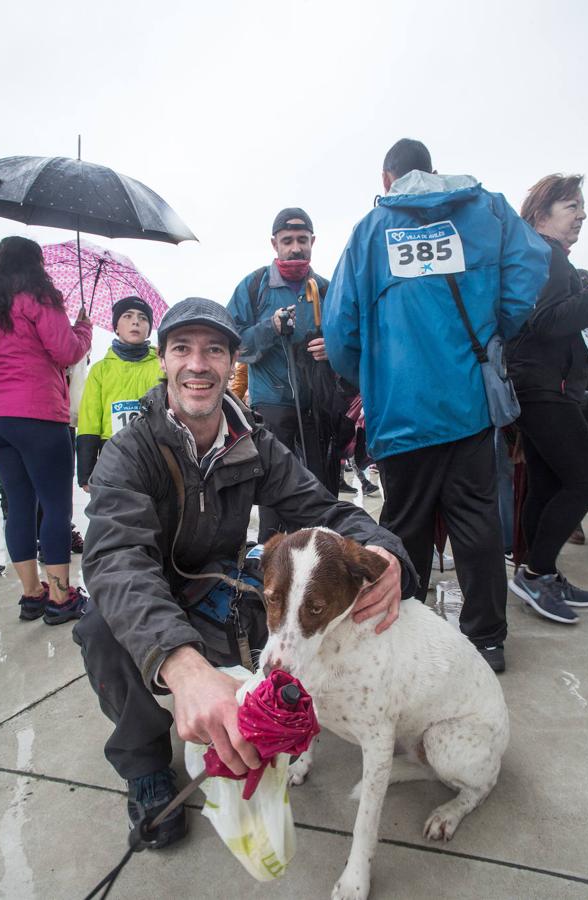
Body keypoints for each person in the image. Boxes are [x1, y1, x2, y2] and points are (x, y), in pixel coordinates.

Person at [73, 297, 417, 848]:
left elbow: (327, 510)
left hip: (223, 592)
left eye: (213, 350)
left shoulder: (256, 444)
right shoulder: (129, 451)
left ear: (234, 360)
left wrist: (386, 553)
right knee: (99, 631)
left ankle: (288, 726)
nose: (197, 364)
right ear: (163, 361)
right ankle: (145, 766)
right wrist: (182, 667)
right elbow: (115, 560)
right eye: (182, 349)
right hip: (153, 601)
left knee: (307, 619)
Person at [322, 138, 550, 674]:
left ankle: (401, 634)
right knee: (476, 521)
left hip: (400, 410)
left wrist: (376, 374)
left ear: (387, 179)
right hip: (468, 402)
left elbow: (338, 333)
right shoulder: (485, 208)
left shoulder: (369, 232)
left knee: (403, 527)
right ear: (433, 172)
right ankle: (488, 640)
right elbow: (529, 271)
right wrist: (493, 333)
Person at [0, 236, 92, 623]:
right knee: (54, 506)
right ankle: (61, 598)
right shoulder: (38, 296)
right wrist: (83, 328)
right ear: (35, 264)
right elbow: (66, 351)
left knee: (17, 504)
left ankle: (31, 594)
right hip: (37, 414)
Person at [507, 174, 588, 623]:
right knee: (584, 480)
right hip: (544, 387)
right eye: (571, 207)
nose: (581, 215)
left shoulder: (545, 256)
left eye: (581, 207)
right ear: (542, 215)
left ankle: (537, 571)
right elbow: (544, 321)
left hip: (543, 385)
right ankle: (536, 573)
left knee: (546, 485)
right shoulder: (544, 256)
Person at [227, 208, 335, 542]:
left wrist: (334, 348)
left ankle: (319, 566)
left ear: (313, 242)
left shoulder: (327, 289)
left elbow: (352, 338)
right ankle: (271, 569)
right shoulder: (253, 286)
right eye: (287, 241)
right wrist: (270, 328)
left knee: (319, 491)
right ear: (274, 243)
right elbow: (231, 343)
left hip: (318, 408)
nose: (295, 248)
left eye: (302, 240)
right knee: (274, 492)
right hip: (271, 405)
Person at [76, 296, 162, 490]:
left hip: (153, 450)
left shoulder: (161, 366)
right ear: (116, 327)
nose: (135, 321)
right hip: (112, 451)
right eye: (127, 316)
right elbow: (89, 418)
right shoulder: (100, 370)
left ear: (149, 329)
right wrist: (86, 472)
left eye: (143, 318)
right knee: (115, 511)